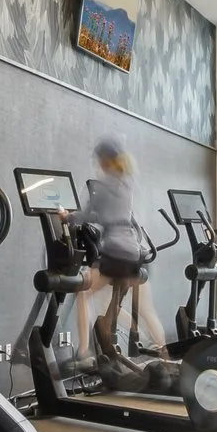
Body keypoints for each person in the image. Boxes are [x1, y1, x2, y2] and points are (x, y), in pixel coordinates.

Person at [72, 140, 166, 358]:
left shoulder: (103, 186)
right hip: (135, 253)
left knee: (83, 292)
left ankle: (84, 352)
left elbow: (85, 216)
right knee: (142, 308)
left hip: (114, 252)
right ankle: (165, 354)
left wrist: (67, 217)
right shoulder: (127, 183)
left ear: (103, 161)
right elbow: (115, 214)